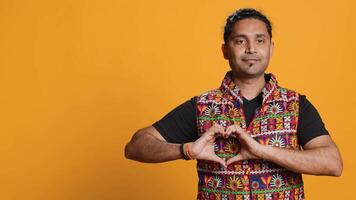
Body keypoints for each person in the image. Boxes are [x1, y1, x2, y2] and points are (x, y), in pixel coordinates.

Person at [124, 8, 343, 200]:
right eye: (240, 41)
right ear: (225, 50)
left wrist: (262, 151)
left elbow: (333, 164)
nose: (251, 49)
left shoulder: (296, 105)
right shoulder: (202, 106)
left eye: (260, 40)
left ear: (271, 48)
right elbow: (135, 146)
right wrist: (187, 150)